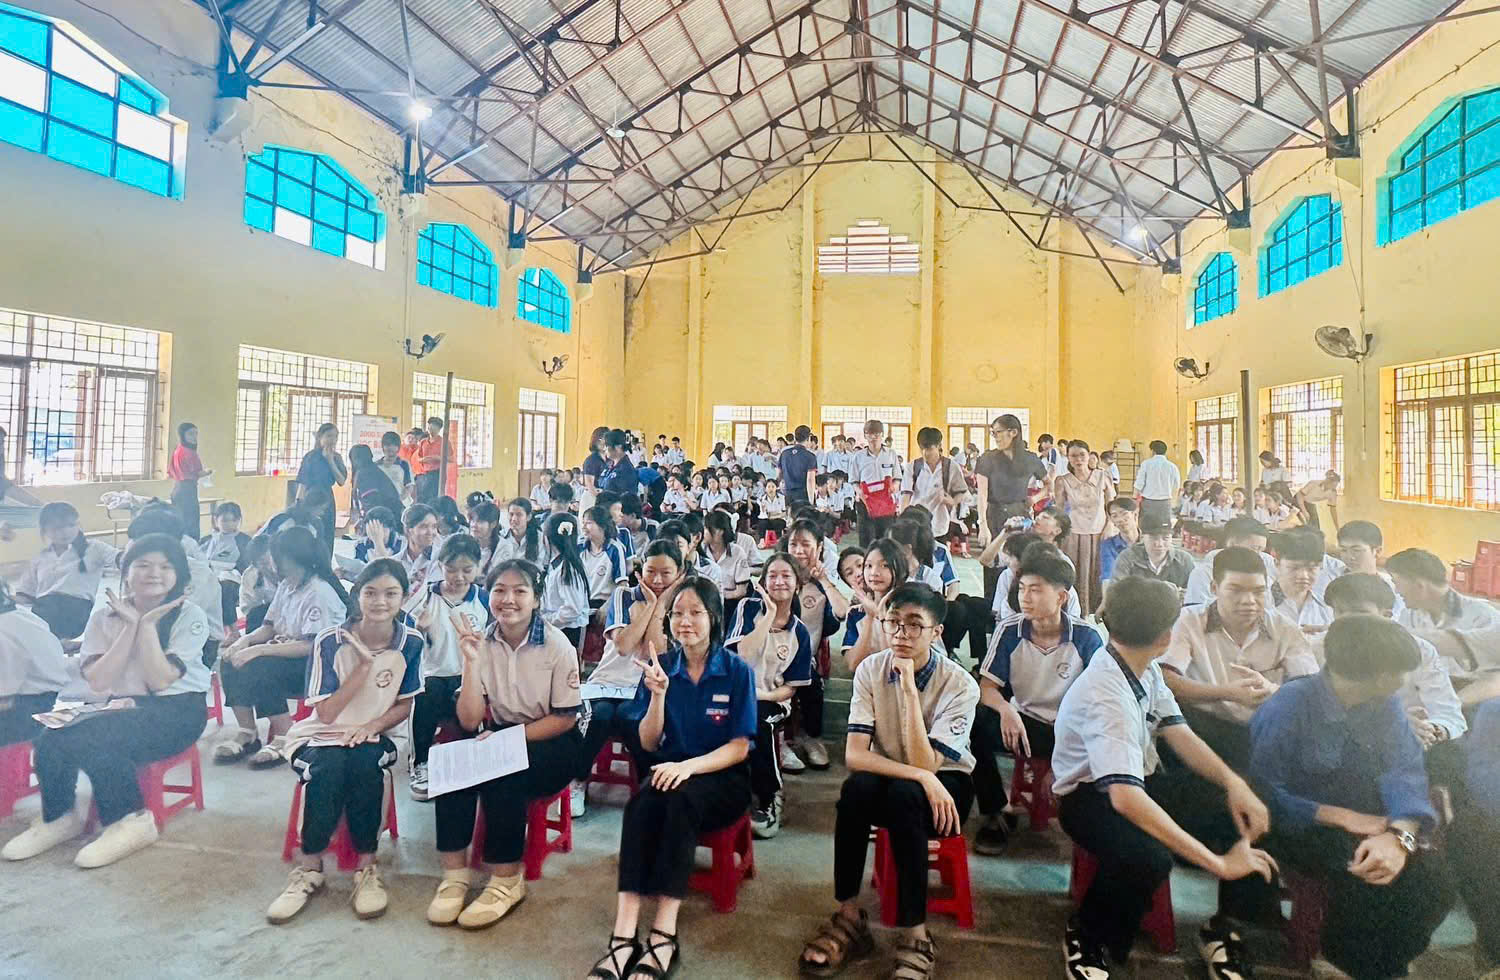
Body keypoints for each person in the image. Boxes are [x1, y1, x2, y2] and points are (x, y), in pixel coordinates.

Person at [1052, 576, 1277, 980]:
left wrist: (1234, 784)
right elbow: (1124, 799)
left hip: (1137, 781)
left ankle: (1223, 929)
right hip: (1088, 799)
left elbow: (1179, 732)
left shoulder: (1144, 668)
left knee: (1245, 807)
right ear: (1165, 637)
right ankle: (1086, 934)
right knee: (1146, 857)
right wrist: (1217, 863)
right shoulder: (1107, 693)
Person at [1248, 615, 1455, 978]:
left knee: (1435, 884)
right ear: (1376, 675)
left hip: (1379, 823)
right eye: (1398, 671)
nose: (1404, 680)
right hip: (1301, 827)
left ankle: (1383, 968)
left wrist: (1399, 837)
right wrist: (1344, 817)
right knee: (1363, 880)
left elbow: (1405, 773)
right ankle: (1358, 965)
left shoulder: (1386, 706)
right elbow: (1263, 795)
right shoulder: (1289, 706)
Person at [796, 583, 978, 980]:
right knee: (855, 789)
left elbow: (928, 762)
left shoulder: (960, 684)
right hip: (902, 776)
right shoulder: (870, 670)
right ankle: (849, 916)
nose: (901, 634)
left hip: (948, 787)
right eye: (893, 622)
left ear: (936, 632)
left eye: (914, 625)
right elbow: (855, 755)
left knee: (904, 797)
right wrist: (921, 777)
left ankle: (916, 934)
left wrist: (909, 688)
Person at [2, 534, 211, 869]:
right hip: (122, 704)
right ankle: (60, 817)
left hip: (178, 712)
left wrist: (146, 626)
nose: (154, 573)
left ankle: (131, 821)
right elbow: (100, 681)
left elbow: (159, 680)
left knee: (98, 742)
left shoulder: (189, 615)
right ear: (126, 571)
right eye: (143, 565)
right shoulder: (104, 616)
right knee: (49, 738)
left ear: (179, 576)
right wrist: (129, 626)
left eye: (165, 566)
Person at [588, 577, 755, 980]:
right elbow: (648, 741)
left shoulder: (736, 670)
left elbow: (739, 747)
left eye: (696, 612)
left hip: (724, 778)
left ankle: (664, 934)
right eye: (678, 613)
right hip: (672, 770)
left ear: (714, 619)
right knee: (640, 803)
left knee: (680, 800)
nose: (685, 621)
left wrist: (688, 768)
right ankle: (623, 935)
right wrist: (659, 697)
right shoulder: (661, 667)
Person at [266, 558, 423, 924]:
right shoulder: (330, 640)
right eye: (371, 592)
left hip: (378, 732)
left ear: (404, 598)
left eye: (391, 594)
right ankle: (309, 868)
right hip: (321, 733)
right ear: (357, 595)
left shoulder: (411, 642)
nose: (380, 601)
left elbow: (405, 704)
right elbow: (325, 713)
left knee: (367, 766)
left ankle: (366, 868)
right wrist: (362, 668)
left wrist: (372, 726)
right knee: (328, 766)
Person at [427, 560, 583, 930]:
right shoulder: (482, 641)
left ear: (536, 599)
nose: (508, 599)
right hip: (500, 732)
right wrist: (470, 663)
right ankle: (454, 875)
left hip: (554, 740)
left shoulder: (557, 645)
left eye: (519, 591)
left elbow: (565, 717)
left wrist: (508, 739)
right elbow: (469, 720)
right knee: (452, 763)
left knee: (504, 773)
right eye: (499, 590)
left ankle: (506, 879)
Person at [970, 552, 1101, 854]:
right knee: (972, 724)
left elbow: (1097, 702)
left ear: (1061, 597)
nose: (1025, 598)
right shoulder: (1010, 630)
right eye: (1022, 589)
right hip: (1022, 724)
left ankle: (1080, 813)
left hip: (1070, 730)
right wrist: (1006, 710)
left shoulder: (1087, 637)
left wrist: (1064, 759)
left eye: (1036, 590)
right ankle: (996, 811)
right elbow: (987, 687)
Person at [1160, 546, 1318, 769]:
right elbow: (1166, 679)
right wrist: (1226, 693)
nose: (1249, 600)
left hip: (1266, 730)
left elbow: (1310, 690)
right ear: (1214, 588)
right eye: (1236, 590)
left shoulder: (1285, 629)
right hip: (1204, 730)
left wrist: (1273, 691)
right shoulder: (1189, 621)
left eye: (1259, 591)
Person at [216, 527, 350, 768]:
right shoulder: (287, 586)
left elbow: (312, 645)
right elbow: (269, 626)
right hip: (288, 654)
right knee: (229, 660)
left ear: (289, 558)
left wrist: (259, 650)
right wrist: (244, 642)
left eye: (273, 555)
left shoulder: (319, 592)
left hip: (318, 665)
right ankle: (247, 732)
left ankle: (285, 736)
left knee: (260, 667)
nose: (269, 560)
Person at [576, 540, 684, 816]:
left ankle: (651, 783)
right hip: (607, 681)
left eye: (666, 573)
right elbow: (624, 646)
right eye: (651, 572)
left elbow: (654, 651)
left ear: (679, 574)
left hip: (644, 686)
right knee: (600, 715)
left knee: (629, 716)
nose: (657, 580)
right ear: (640, 571)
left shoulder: (681, 604)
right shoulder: (623, 596)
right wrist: (652, 604)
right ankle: (578, 780)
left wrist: (660, 606)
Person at [1319, 574, 1467, 748]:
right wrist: (1394, 725)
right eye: (1340, 611)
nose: (1347, 620)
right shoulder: (1320, 649)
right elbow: (1319, 715)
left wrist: (1430, 729)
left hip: (1413, 742)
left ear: (1386, 615)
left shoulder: (1420, 650)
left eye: (1359, 613)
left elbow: (1448, 713)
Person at [725, 554, 814, 839]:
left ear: (798, 584)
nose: (779, 581)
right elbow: (743, 654)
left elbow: (791, 687)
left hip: (773, 699)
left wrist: (765, 694)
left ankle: (769, 797)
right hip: (734, 693)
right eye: (772, 575)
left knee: (759, 721)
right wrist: (768, 616)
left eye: (786, 576)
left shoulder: (799, 632)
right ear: (763, 582)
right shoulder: (747, 609)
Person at [407, 534, 487, 801]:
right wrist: (419, 628)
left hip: (468, 676)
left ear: (478, 567)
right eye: (451, 569)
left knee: (471, 702)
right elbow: (403, 642)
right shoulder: (425, 595)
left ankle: (470, 762)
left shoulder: (483, 599)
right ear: (440, 566)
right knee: (426, 694)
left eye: (467, 570)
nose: (459, 577)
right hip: (432, 674)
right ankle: (421, 763)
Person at [780, 517, 847, 771]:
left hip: (803, 659)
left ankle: (811, 738)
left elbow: (841, 613)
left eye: (805, 544)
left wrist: (825, 581)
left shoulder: (822, 585)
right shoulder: (777, 577)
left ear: (819, 547)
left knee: (812, 686)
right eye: (793, 544)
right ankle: (780, 742)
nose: (798, 551)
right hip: (772, 656)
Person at [17, 501, 119, 640]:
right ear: (45, 530)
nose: (65, 532)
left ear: (78, 524)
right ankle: (58, 644)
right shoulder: (39, 557)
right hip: (44, 610)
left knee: (38, 630)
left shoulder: (94, 548)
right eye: (57, 528)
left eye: (71, 525)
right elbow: (25, 595)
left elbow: (121, 558)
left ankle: (56, 643)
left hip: (75, 611)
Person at [974, 415, 1048, 602]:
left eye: (998, 432)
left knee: (1019, 564)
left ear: (1013, 432)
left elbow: (1049, 485)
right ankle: (992, 612)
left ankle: (1019, 607)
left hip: (1020, 516)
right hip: (994, 516)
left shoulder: (1030, 459)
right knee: (993, 566)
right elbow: (982, 495)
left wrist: (1034, 499)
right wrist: (983, 525)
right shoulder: (987, 459)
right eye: (993, 433)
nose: (995, 437)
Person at [0, 580, 67, 747]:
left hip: (20, 710)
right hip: (39, 701)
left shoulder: (5, 631)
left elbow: (5, 700)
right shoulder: (24, 616)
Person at [1052, 439, 1114, 613]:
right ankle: (1075, 613)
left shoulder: (1103, 476)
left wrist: (1109, 525)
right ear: (1068, 458)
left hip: (1099, 532)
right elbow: (1059, 510)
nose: (1078, 459)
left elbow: (1111, 505)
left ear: (1089, 455)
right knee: (1074, 573)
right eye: (1073, 456)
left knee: (1098, 573)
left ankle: (1098, 611)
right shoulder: (1062, 481)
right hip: (1073, 534)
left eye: (1082, 455)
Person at [842, 538, 911, 673]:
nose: (874, 572)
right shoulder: (856, 613)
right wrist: (869, 617)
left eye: (884, 565)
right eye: (868, 566)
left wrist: (881, 617)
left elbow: (896, 666)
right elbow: (853, 665)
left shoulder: (911, 609)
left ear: (899, 568)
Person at [900, 427, 970, 546]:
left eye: (929, 449)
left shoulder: (951, 467)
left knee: (938, 555)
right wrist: (902, 521)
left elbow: (962, 491)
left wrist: (952, 501)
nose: (925, 453)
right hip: (915, 525)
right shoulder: (913, 466)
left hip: (940, 524)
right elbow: (905, 495)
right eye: (922, 448)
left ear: (939, 446)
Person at [1182, 517, 1274, 607]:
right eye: (1255, 548)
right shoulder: (1204, 574)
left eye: (1261, 550)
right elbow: (1195, 611)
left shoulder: (1265, 567)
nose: (1258, 555)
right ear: (1232, 544)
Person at [201, 501, 253, 626]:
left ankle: (232, 629)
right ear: (216, 520)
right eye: (224, 520)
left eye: (233, 520)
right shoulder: (206, 540)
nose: (229, 524)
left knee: (224, 588)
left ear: (239, 520)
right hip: (208, 576)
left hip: (233, 580)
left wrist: (224, 573)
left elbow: (246, 568)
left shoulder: (244, 541)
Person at [1270, 530, 1334, 631]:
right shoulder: (1263, 603)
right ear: (1277, 564)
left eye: (1311, 569)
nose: (1303, 576)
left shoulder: (1327, 607)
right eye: (1294, 568)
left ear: (1320, 567)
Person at [295, 423, 347, 546]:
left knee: (327, 534)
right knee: (310, 534)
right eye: (329, 436)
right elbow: (302, 483)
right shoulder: (311, 457)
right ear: (320, 437)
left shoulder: (337, 457)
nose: (333, 440)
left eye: (335, 436)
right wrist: (298, 504)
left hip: (327, 499)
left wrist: (330, 460)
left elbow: (341, 481)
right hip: (311, 497)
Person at [850, 419, 899, 547]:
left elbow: (897, 477)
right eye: (870, 434)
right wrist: (859, 492)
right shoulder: (858, 456)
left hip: (885, 503)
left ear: (882, 435)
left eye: (877, 434)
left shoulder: (891, 454)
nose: (873, 437)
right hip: (865, 502)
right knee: (866, 541)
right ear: (865, 436)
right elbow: (854, 480)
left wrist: (894, 486)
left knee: (885, 540)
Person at [1108, 522, 1195, 591]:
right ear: (1143, 537)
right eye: (1153, 538)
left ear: (1171, 538)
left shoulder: (1184, 560)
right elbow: (1115, 592)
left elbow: (1194, 594)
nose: (1159, 544)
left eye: (1165, 538)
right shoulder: (1128, 557)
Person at [167, 421, 210, 539]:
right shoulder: (189, 452)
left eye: (196, 433)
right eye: (190, 434)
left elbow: (171, 472)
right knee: (191, 525)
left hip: (177, 489)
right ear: (182, 435)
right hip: (187, 491)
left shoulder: (178, 450)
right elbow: (197, 472)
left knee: (181, 523)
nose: (194, 437)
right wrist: (207, 472)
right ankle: (192, 548)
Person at [348, 444, 404, 528]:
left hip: (385, 520)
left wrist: (367, 522)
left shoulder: (365, 474)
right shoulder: (372, 470)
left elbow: (372, 503)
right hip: (391, 516)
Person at [1132, 440, 1180, 529]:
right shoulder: (1172, 466)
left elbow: (1139, 483)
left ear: (1152, 451)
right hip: (1165, 503)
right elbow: (1176, 486)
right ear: (1165, 451)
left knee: (1146, 528)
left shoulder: (1146, 464)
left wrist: (1134, 498)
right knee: (1163, 529)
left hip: (1148, 502)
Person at [779, 425, 820, 513]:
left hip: (789, 494)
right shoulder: (810, 456)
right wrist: (811, 501)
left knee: (791, 519)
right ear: (808, 438)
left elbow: (779, 474)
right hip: (803, 495)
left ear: (795, 437)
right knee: (804, 520)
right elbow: (810, 480)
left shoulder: (784, 454)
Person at [1097, 497, 1137, 587]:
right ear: (1112, 521)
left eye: (1124, 513)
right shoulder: (1108, 546)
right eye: (1115, 516)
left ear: (1135, 514)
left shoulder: (1148, 542)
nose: (1120, 519)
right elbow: (1107, 577)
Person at [413, 417, 449, 503]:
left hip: (437, 474)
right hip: (424, 474)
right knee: (421, 497)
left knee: (433, 498)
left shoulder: (444, 442)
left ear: (439, 429)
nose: (430, 429)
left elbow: (451, 459)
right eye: (429, 426)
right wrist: (424, 459)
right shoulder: (423, 442)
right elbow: (418, 459)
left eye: (433, 427)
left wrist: (438, 458)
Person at [597, 428, 640, 501]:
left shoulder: (626, 470)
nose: (604, 449)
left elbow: (625, 499)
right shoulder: (609, 466)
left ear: (618, 447)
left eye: (607, 445)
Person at [376, 431, 413, 503]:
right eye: (387, 445)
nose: (390, 448)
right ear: (383, 447)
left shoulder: (404, 464)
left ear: (398, 447)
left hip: (401, 504)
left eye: (394, 445)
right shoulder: (377, 465)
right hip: (382, 504)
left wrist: (399, 500)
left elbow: (409, 486)